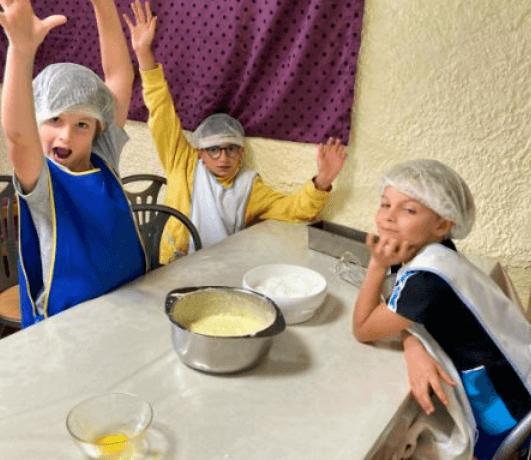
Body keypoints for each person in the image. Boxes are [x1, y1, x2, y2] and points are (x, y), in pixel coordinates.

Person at [123, 0, 347, 263]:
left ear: (241, 153)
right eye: (213, 150)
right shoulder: (182, 163)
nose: (223, 158)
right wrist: (143, 54)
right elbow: (160, 107)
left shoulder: (250, 187)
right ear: (199, 153)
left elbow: (294, 210)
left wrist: (322, 181)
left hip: (221, 268)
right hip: (173, 262)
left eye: (231, 149)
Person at [352, 159, 531, 460]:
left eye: (409, 209)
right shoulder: (437, 251)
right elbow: (410, 308)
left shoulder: (427, 280)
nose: (388, 218)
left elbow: (363, 328)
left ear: (443, 223)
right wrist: (412, 344)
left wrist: (375, 264)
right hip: (517, 364)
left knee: (499, 441)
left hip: (500, 391)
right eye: (385, 204)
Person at [0, 0, 147, 328]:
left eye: (82, 124)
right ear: (36, 119)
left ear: (98, 129)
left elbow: (120, 75)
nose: (66, 135)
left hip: (124, 314)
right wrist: (21, 52)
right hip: (67, 332)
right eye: (54, 119)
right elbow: (18, 139)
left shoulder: (102, 156)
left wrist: (104, 5)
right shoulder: (41, 180)